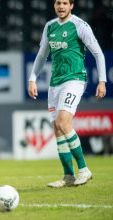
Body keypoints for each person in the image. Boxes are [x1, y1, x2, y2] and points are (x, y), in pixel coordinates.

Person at [28, 0, 107, 188]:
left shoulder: (80, 26)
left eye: (65, 3)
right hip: (55, 83)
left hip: (74, 80)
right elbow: (41, 55)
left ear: (71, 5)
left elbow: (98, 54)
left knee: (63, 121)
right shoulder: (50, 26)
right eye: (58, 3)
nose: (61, 6)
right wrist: (32, 78)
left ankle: (84, 169)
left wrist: (102, 81)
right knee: (56, 127)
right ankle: (68, 176)